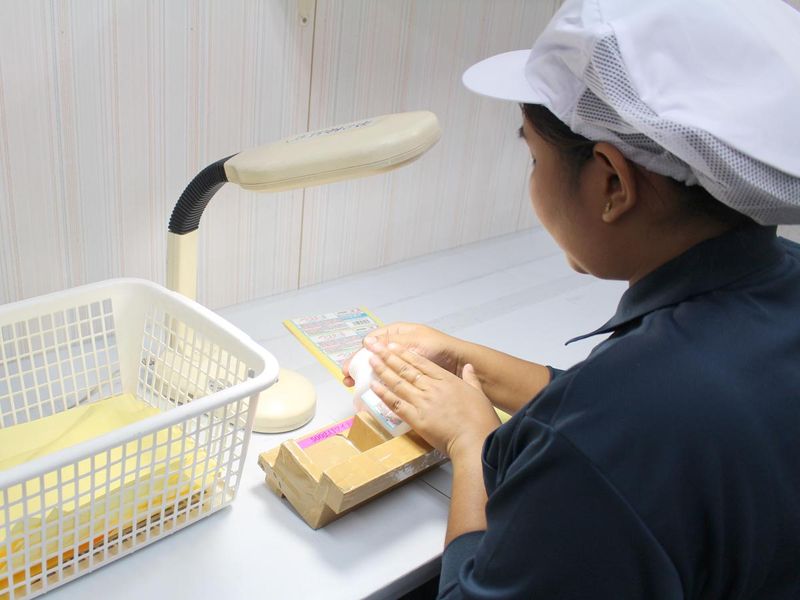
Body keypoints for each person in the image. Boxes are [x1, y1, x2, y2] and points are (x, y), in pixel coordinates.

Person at [343, 0, 800, 597]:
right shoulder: (776, 283)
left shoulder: (624, 425)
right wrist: (470, 361)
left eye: (535, 157)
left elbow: (611, 432)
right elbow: (621, 413)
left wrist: (472, 441)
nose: (532, 178)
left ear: (612, 184)